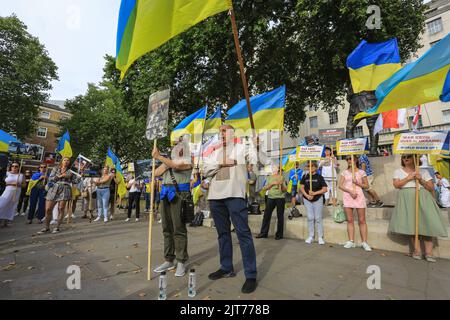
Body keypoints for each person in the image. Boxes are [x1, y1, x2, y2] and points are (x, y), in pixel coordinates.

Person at [204, 125, 265, 294]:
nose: (221, 134)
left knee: (243, 234)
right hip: (215, 197)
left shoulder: (241, 148)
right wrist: (223, 162)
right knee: (222, 234)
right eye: (220, 132)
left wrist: (255, 145)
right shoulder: (214, 151)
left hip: (235, 195)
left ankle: (251, 275)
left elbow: (253, 160)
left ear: (232, 133)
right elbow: (205, 170)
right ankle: (226, 267)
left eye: (224, 131)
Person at [389, 155, 448, 262]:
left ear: (415, 158)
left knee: (427, 223)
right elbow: (396, 185)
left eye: (408, 157)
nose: (405, 159)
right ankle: (416, 251)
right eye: (404, 157)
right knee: (411, 224)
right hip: (406, 200)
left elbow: (430, 187)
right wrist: (408, 178)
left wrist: (421, 180)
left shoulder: (424, 171)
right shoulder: (398, 171)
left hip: (423, 198)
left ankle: (429, 253)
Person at [152, 136, 192, 277]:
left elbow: (177, 166)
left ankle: (181, 261)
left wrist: (159, 157)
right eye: (175, 145)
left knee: (178, 228)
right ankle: (169, 259)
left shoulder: (188, 158)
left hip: (180, 194)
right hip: (165, 193)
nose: (176, 147)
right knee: (166, 227)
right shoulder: (169, 160)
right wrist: (165, 161)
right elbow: (155, 173)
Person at [38, 157, 84, 234]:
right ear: (62, 161)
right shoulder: (55, 168)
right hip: (53, 188)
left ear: (69, 162)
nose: (66, 161)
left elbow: (74, 181)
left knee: (61, 208)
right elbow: (51, 179)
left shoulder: (72, 171)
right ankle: (47, 227)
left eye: (68, 160)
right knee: (48, 209)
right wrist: (61, 176)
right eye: (64, 160)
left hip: (65, 189)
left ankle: (57, 227)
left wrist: (80, 176)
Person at [338, 156, 372, 251]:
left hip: (359, 196)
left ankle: (364, 242)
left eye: (351, 159)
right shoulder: (344, 172)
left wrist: (357, 183)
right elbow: (340, 185)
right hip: (348, 196)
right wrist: (350, 191)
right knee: (350, 220)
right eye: (348, 159)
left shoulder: (362, 172)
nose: (349, 161)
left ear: (356, 160)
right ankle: (351, 241)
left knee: (362, 220)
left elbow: (366, 185)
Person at [300, 161, 328, 245]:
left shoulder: (319, 177)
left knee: (318, 218)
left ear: (315, 167)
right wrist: (307, 195)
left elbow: (325, 189)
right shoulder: (305, 176)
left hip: (318, 199)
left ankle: (320, 237)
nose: (310, 167)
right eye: (308, 166)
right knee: (310, 217)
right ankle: (311, 236)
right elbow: (301, 187)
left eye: (312, 166)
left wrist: (314, 193)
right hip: (307, 199)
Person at [256, 165, 286, 240]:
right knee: (266, 215)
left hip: (280, 198)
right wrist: (272, 183)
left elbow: (285, 190)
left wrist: (281, 184)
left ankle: (279, 234)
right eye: (273, 168)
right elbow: (265, 188)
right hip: (270, 197)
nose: (274, 170)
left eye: (275, 169)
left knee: (280, 216)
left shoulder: (282, 177)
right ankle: (263, 233)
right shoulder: (269, 177)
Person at [0, 162, 25, 227]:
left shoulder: (21, 175)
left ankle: (7, 221)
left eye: (16, 166)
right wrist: (12, 184)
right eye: (13, 166)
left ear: (19, 167)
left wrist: (19, 184)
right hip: (7, 191)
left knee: (11, 206)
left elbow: (24, 185)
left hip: (16, 192)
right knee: (2, 204)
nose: (14, 167)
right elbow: (3, 183)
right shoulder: (7, 173)